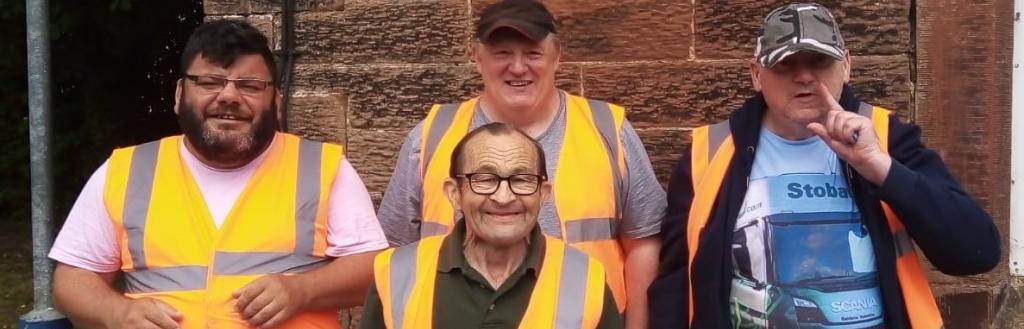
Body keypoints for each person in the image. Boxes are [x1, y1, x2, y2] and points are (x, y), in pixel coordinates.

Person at [648, 3, 1001, 329]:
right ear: (756, 74)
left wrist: (881, 169)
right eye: (785, 64)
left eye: (818, 62)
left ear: (846, 65)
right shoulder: (708, 153)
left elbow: (975, 252)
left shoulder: (888, 139)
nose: (804, 77)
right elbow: (674, 285)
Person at [48, 20, 388, 329]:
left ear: (277, 102)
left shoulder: (322, 167)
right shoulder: (125, 171)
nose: (229, 96)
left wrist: (302, 290)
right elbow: (71, 280)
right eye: (209, 82)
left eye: (251, 86)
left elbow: (372, 268)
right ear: (180, 95)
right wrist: (117, 313)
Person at [376, 1, 665, 325]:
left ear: (557, 57)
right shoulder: (431, 136)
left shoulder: (608, 130)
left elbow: (643, 242)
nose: (517, 67)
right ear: (477, 57)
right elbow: (396, 251)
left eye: (532, 53)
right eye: (502, 53)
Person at [362, 123, 623, 329]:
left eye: (521, 179)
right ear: (454, 193)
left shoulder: (586, 278)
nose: (504, 197)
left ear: (543, 193)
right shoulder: (395, 273)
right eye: (484, 179)